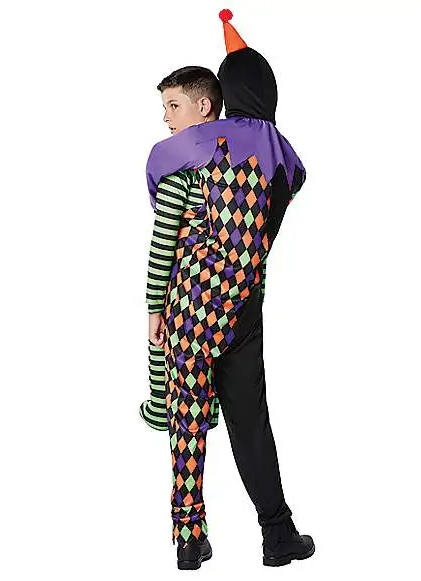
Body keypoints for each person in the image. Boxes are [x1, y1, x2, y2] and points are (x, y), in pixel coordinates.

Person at [143, 9, 314, 570]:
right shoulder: (285, 161)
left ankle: (189, 538)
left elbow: (165, 215)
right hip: (242, 308)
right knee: (250, 421)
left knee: (187, 420)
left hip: (188, 307)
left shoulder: (191, 150)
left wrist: (156, 305)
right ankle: (277, 534)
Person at [139, 67, 268, 432]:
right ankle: (206, 410)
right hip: (241, 300)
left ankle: (169, 411)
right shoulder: (246, 171)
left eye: (174, 106)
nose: (166, 118)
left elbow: (162, 245)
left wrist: (153, 307)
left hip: (187, 298)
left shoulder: (177, 172)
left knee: (183, 399)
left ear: (204, 106)